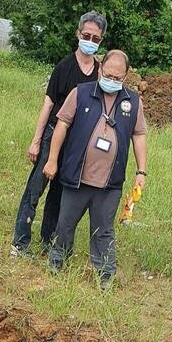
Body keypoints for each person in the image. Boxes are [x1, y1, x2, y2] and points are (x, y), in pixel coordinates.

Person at [43, 49, 147, 287]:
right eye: (108, 75)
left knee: (104, 231)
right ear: (101, 69)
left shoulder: (132, 102)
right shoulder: (81, 92)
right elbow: (62, 125)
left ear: (126, 76)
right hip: (76, 175)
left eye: (118, 78)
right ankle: (57, 261)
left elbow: (139, 135)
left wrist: (141, 172)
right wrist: (52, 159)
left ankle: (105, 274)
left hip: (109, 183)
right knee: (65, 223)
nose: (112, 81)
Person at [11, 11, 106, 257]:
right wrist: (36, 141)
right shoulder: (64, 67)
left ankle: (48, 241)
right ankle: (20, 242)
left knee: (60, 194)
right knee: (35, 189)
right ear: (78, 34)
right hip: (54, 135)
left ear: (101, 40)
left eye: (96, 38)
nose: (90, 41)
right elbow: (48, 105)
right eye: (86, 35)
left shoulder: (99, 74)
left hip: (78, 144)